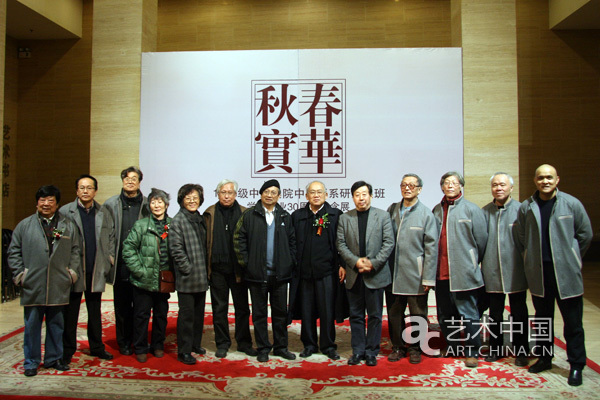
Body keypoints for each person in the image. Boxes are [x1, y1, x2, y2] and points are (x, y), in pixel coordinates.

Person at [516, 164, 592, 386]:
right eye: (541, 178)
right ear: (535, 180)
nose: (545, 181)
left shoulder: (571, 204)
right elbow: (521, 236)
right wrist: (529, 258)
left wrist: (572, 257)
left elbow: (585, 234)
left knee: (573, 322)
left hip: (566, 274)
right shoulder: (527, 207)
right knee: (543, 320)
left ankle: (576, 365)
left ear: (557, 179)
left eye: (549, 177)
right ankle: (544, 358)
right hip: (539, 274)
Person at [8, 185, 81, 377]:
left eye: (50, 200)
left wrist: (71, 274)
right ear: (37, 203)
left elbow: (76, 250)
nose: (46, 204)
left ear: (57, 204)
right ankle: (31, 362)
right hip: (33, 284)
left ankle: (53, 358)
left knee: (56, 324)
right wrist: (21, 275)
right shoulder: (25, 225)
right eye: (42, 200)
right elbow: (13, 251)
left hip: (58, 283)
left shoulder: (67, 225)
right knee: (32, 326)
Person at [234, 179, 297, 362]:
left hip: (279, 275)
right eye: (266, 192)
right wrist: (248, 264)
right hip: (257, 275)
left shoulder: (285, 216)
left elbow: (292, 242)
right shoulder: (249, 215)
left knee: (280, 314)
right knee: (259, 314)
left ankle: (281, 347)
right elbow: (238, 240)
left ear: (279, 196)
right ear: (261, 194)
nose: (269, 195)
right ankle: (263, 347)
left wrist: (289, 262)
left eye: (273, 192)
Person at [432, 171, 487, 368]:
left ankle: (472, 351)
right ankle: (453, 346)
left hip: (464, 273)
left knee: (469, 314)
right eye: (446, 183)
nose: (450, 186)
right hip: (441, 272)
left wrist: (471, 261)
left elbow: (481, 241)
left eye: (454, 183)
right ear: (442, 187)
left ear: (461, 186)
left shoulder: (472, 209)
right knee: (445, 314)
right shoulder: (436, 210)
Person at [336, 181, 394, 367]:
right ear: (353, 197)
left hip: (375, 274)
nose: (361, 198)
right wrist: (355, 261)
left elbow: (388, 243)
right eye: (357, 195)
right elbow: (340, 244)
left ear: (371, 195)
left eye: (364, 194)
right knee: (356, 315)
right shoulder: (345, 218)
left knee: (375, 315)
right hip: (354, 275)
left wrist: (373, 263)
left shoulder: (383, 216)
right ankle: (358, 350)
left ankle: (371, 351)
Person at [60, 174, 115, 364]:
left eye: (89, 188)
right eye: (82, 188)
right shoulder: (65, 211)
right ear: (77, 191)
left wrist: (109, 259)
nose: (85, 191)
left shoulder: (103, 212)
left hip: (95, 268)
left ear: (95, 191)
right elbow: (58, 239)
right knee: (71, 312)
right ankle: (67, 350)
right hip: (74, 270)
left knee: (94, 311)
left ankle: (97, 347)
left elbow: (111, 237)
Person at [386, 174, 438, 364]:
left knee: (418, 314)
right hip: (393, 273)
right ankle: (398, 347)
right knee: (394, 313)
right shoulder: (392, 209)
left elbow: (431, 248)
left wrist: (428, 277)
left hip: (416, 274)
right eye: (404, 185)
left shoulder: (426, 214)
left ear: (419, 189)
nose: (407, 188)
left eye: (411, 185)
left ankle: (416, 348)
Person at [203, 180, 257, 359]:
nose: (226, 196)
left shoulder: (245, 213)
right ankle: (222, 343)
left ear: (236, 194)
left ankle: (244, 343)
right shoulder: (209, 213)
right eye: (223, 192)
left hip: (238, 270)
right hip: (217, 270)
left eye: (230, 192)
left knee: (242, 308)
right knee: (219, 308)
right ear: (217, 194)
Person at [291, 181, 344, 361]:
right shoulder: (298, 216)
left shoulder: (335, 215)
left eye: (319, 192)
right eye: (312, 192)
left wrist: (342, 264)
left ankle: (328, 345)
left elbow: (342, 243)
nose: (316, 195)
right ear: (306, 196)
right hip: (304, 273)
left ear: (326, 195)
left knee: (327, 310)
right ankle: (309, 344)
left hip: (327, 272)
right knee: (307, 311)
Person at [481, 172, 529, 366]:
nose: (498, 188)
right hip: (492, 270)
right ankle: (495, 348)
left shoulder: (521, 210)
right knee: (495, 313)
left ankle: (521, 350)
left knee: (519, 312)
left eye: (502, 184)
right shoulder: (484, 212)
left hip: (516, 271)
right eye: (495, 185)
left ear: (511, 187)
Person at [122, 188, 172, 363]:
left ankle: (158, 345)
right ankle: (141, 347)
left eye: (160, 201)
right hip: (143, 280)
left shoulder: (172, 225)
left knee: (161, 315)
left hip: (163, 281)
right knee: (141, 316)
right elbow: (128, 249)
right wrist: (139, 271)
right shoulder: (141, 225)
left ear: (166, 205)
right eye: (153, 202)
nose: (157, 205)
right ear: (149, 205)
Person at [102, 166, 149, 355]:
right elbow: (105, 232)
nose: (130, 181)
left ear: (139, 182)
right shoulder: (110, 204)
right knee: (122, 306)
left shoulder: (147, 204)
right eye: (127, 178)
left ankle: (139, 341)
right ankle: (123, 342)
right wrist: (110, 255)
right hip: (120, 264)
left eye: (134, 178)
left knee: (140, 307)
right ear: (122, 181)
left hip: (141, 264)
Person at [169, 184, 210, 365]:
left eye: (195, 198)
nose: (192, 201)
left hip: (201, 276)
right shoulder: (178, 220)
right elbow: (176, 250)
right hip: (187, 277)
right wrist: (187, 268)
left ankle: (195, 344)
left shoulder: (199, 218)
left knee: (198, 314)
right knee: (186, 316)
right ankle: (184, 351)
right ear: (181, 200)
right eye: (188, 198)